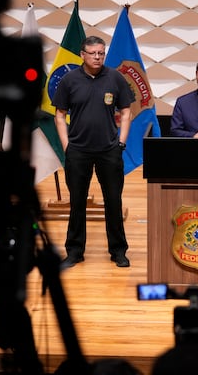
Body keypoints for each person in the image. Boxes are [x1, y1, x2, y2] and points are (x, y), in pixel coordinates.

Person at [53, 35, 134, 269]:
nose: (97, 57)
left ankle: (118, 251)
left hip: (109, 150)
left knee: (113, 201)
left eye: (101, 53)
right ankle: (75, 251)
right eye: (93, 53)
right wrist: (67, 146)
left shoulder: (115, 78)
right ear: (83, 55)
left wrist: (121, 143)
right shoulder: (69, 80)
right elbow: (59, 115)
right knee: (77, 202)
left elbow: (126, 111)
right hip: (78, 151)